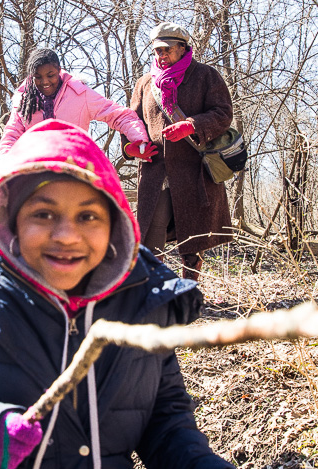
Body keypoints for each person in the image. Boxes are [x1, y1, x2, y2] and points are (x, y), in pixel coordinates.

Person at [0, 119, 252, 469]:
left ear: (114, 225)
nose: (67, 235)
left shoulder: (141, 300)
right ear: (11, 219)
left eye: (88, 216)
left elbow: (164, 421)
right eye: (43, 214)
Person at [123, 22, 234, 281]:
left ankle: (188, 289)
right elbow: (131, 121)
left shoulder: (206, 76)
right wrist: (131, 148)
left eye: (167, 50)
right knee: (151, 237)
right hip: (155, 171)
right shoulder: (144, 83)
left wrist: (191, 125)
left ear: (183, 49)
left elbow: (223, 113)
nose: (161, 55)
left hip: (193, 171)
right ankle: (157, 292)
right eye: (157, 51)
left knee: (193, 241)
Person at [0, 48, 157, 163]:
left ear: (59, 71)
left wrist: (139, 140)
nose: (44, 82)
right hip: (36, 170)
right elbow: (12, 134)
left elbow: (119, 115)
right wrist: (5, 166)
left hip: (73, 167)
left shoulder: (79, 94)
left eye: (50, 75)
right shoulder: (24, 100)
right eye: (38, 77)